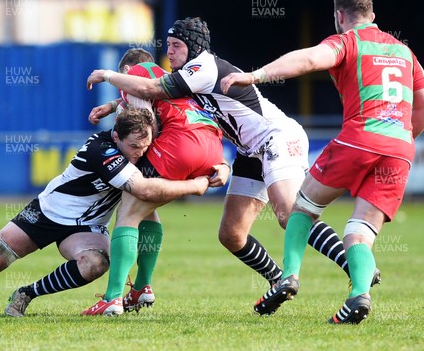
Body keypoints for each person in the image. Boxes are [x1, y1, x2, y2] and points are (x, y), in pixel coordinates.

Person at [86, 17, 374, 310]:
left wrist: (108, 76)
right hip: (249, 151)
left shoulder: (202, 68)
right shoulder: (190, 74)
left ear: (194, 47)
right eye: (168, 45)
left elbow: (151, 89)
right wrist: (112, 106)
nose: (169, 52)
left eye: (176, 46)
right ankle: (277, 279)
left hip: (275, 136)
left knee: (289, 213)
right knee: (231, 234)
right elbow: (166, 102)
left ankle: (356, 268)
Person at [221, 0, 424, 324]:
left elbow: (308, 60)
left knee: (302, 207)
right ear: (373, 15)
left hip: (360, 137)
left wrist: (255, 75)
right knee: (359, 232)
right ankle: (358, 296)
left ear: (340, 16)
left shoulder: (348, 41)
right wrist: (402, 136)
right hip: (400, 149)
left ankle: (289, 275)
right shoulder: (404, 52)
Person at [0, 107, 213, 318]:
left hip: (86, 228)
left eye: (145, 149)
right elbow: (143, 190)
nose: (140, 155)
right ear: (116, 137)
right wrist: (197, 187)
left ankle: (26, 293)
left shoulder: (137, 148)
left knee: (96, 264)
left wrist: (219, 167)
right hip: (45, 214)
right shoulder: (102, 150)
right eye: (134, 149)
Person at [81, 48, 228, 316]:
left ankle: (112, 298)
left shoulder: (135, 75)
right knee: (147, 211)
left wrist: (134, 161)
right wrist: (115, 105)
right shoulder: (173, 78)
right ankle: (141, 288)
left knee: (128, 210)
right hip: (212, 148)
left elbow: (144, 123)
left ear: (126, 71)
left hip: (179, 146)